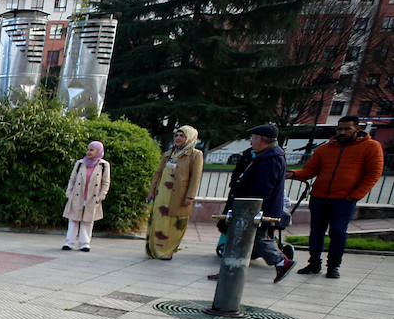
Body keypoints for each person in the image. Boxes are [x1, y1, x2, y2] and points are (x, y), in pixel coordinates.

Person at [287, 115, 384, 280]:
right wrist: (291, 174)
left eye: (347, 129)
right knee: (316, 232)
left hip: (344, 199)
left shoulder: (370, 147)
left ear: (357, 130)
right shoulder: (326, 148)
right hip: (320, 197)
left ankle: (333, 266)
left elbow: (373, 174)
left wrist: (355, 196)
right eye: (340, 129)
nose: (343, 132)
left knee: (338, 232)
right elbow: (309, 171)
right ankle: (314, 263)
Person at [216, 124, 294, 283]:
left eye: (252, 138)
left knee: (253, 237)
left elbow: (263, 189)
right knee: (242, 237)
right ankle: (229, 270)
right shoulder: (266, 155)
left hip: (255, 209)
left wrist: (252, 208)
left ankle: (281, 261)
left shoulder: (271, 159)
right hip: (250, 208)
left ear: (260, 139)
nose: (250, 141)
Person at [144, 127, 204, 260]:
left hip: (179, 195)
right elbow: (158, 173)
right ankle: (154, 249)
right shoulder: (168, 154)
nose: (178, 138)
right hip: (162, 194)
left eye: (182, 136)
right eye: (176, 135)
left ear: (189, 138)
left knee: (173, 223)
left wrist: (190, 196)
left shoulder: (195, 155)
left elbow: (195, 177)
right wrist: (152, 191)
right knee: (159, 220)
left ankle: (167, 250)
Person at [61, 141, 111, 252]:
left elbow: (106, 182)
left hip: (92, 198)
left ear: (98, 151)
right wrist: (69, 193)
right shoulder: (80, 163)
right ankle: (69, 242)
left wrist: (101, 196)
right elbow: (72, 179)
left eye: (92, 150)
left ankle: (85, 243)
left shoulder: (103, 165)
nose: (88, 152)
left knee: (88, 220)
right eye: (88, 149)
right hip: (77, 196)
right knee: (73, 219)